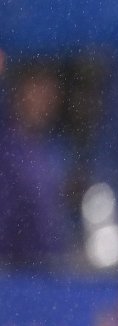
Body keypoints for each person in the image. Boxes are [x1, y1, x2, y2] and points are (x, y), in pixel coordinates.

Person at [0, 62, 76, 270]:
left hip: (50, 273)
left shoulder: (56, 150)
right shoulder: (6, 151)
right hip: (14, 275)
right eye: (39, 87)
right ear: (19, 91)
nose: (48, 99)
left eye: (52, 90)